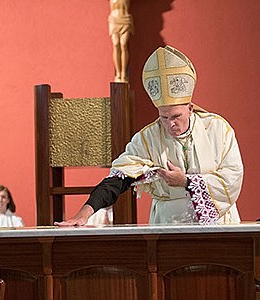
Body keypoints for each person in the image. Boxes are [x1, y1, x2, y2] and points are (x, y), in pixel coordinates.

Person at [55, 45, 244, 226]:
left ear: (190, 108)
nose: (170, 124)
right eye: (164, 117)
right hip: (168, 224)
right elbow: (118, 180)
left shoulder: (218, 130)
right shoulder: (148, 139)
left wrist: (185, 181)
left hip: (216, 224)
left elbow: (232, 178)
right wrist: (85, 213)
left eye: (176, 116)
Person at [108, 0, 134, 82]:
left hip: (125, 19)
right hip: (114, 20)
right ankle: (118, 74)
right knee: (116, 44)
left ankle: (123, 73)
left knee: (123, 44)